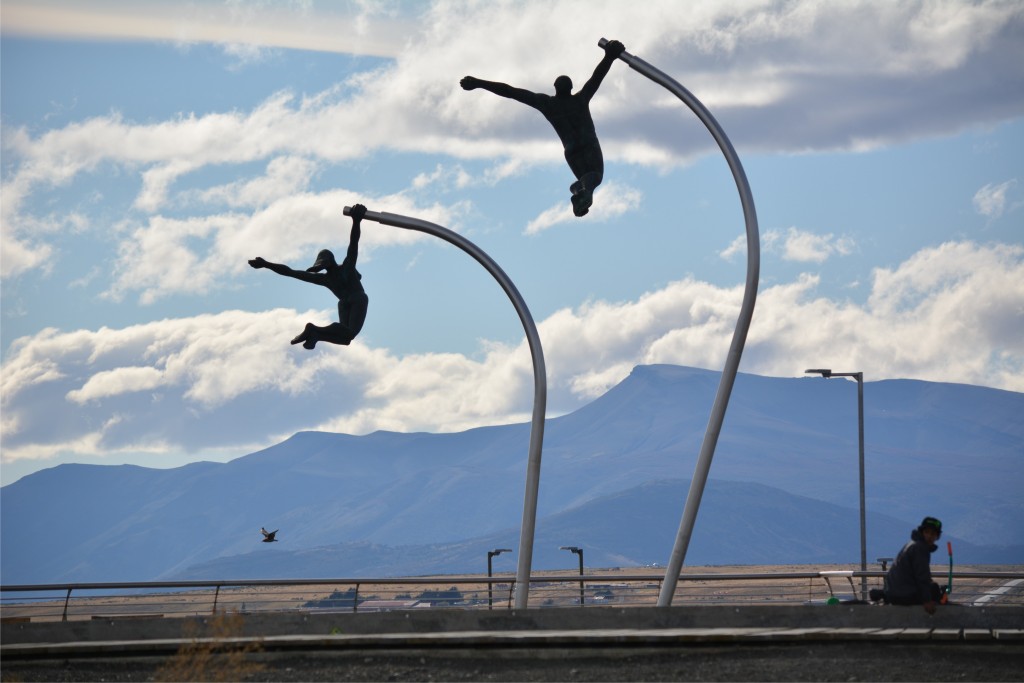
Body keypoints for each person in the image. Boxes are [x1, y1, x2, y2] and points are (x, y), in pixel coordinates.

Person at [460, 39, 626, 217]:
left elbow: (510, 91)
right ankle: (585, 194)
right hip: (588, 143)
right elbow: (596, 78)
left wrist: (478, 83)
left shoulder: (547, 104)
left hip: (571, 150)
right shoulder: (580, 99)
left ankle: (579, 191)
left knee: (584, 180)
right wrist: (609, 56)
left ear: (554, 88)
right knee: (595, 176)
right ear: (571, 87)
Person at [249, 204, 369, 349]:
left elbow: (291, 272)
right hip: (357, 298)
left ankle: (315, 335)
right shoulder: (347, 267)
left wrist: (266, 264)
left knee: (345, 339)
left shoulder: (325, 279)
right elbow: (353, 243)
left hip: (343, 303)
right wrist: (356, 221)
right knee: (349, 333)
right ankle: (314, 329)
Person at [882, 516, 945, 613]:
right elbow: (922, 576)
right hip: (904, 595)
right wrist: (927, 600)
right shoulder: (920, 548)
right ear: (922, 532)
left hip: (893, 593)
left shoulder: (912, 544)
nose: (929, 536)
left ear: (937, 536)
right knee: (934, 589)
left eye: (933, 534)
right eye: (927, 532)